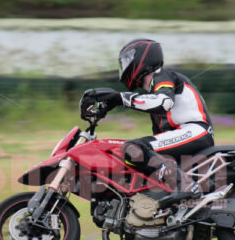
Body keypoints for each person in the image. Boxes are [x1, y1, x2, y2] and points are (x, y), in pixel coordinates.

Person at [79, 38, 214, 195]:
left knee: (134, 147)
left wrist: (119, 98)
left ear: (142, 57)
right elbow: (158, 133)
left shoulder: (163, 75)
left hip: (196, 131)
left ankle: (186, 187)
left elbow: (164, 102)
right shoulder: (153, 92)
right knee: (134, 154)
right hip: (187, 134)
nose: (125, 66)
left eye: (127, 60)